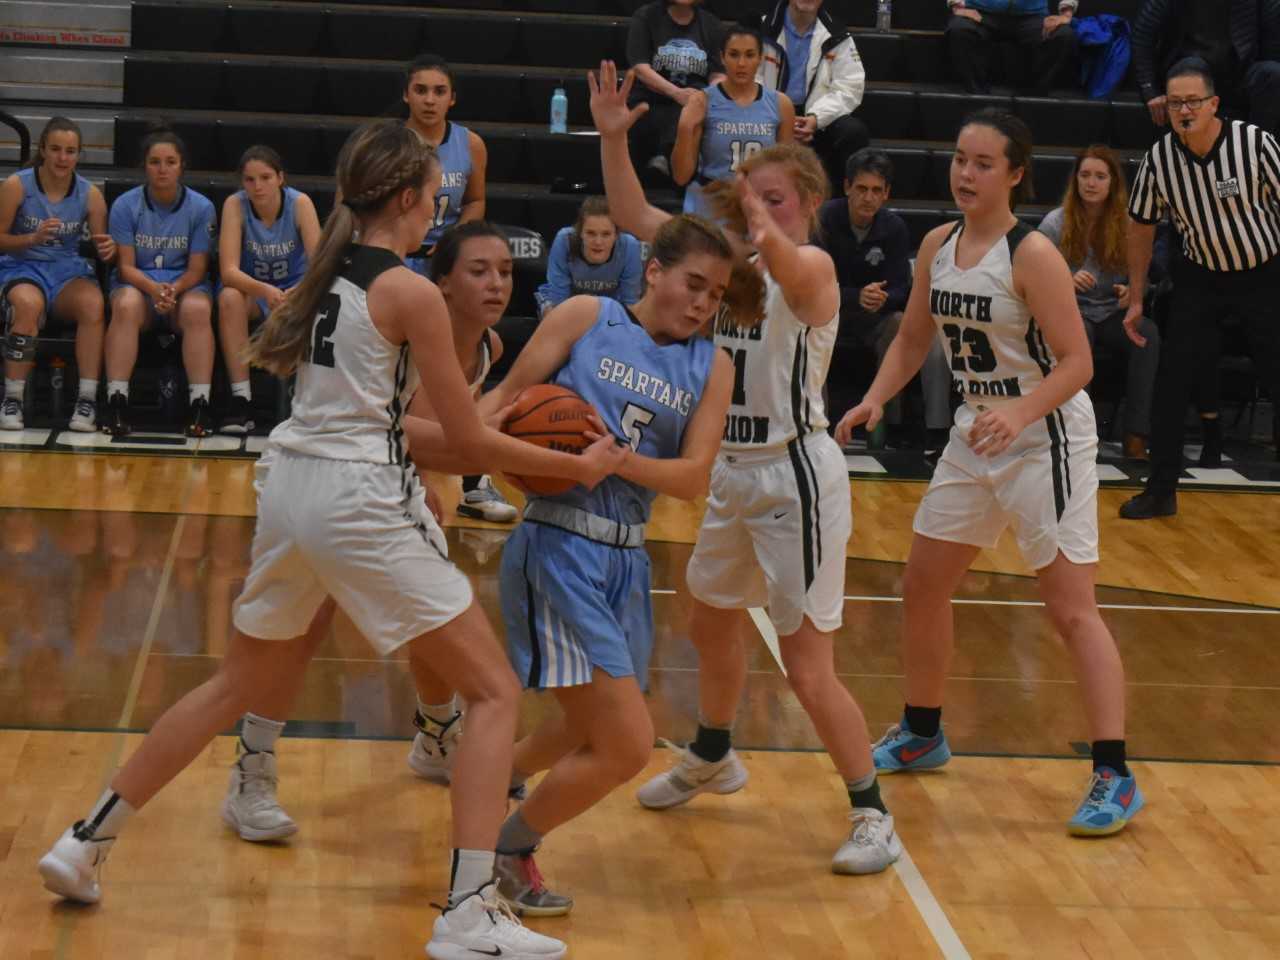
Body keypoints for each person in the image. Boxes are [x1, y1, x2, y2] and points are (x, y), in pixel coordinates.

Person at [37, 120, 625, 960]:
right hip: (357, 495)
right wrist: (575, 465)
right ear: (408, 198)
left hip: (289, 487)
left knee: (237, 683)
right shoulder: (413, 293)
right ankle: (465, 911)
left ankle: (83, 842)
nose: (439, 210)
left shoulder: (327, 272)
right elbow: (464, 444)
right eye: (433, 196)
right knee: (493, 693)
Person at [592, 60, 902, 875]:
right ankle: (714, 753)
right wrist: (614, 140)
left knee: (806, 665)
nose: (761, 212)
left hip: (795, 474)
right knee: (708, 616)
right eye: (752, 197)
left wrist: (763, 231)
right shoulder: (725, 266)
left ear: (806, 206)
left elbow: (795, 271)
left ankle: (872, 811)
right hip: (732, 472)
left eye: (779, 200)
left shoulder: (815, 269)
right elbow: (631, 214)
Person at [835, 108, 1143, 837]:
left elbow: (1079, 363)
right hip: (980, 431)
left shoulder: (1030, 255)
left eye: (981, 163)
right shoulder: (938, 245)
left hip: (1045, 438)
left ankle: (1115, 772)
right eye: (959, 159)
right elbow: (914, 337)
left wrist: (1023, 412)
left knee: (1071, 610)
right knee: (922, 584)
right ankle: (923, 729)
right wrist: (874, 398)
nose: (964, 173)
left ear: (1013, 174)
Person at [217, 221, 518, 846]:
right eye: (479, 271)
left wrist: (436, 476)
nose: (496, 284)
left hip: (390, 479)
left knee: (435, 612)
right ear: (441, 284)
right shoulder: (408, 315)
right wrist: (522, 458)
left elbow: (435, 434)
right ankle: (253, 770)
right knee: (307, 622)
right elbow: (395, 427)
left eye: (505, 272)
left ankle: (436, 737)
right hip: (338, 471)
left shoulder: (487, 344)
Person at [475, 213, 739, 916]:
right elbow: (501, 406)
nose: (700, 303)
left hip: (628, 559)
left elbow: (692, 478)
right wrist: (473, 448)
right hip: (559, 541)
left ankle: (480, 781)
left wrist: (619, 461)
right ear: (653, 271)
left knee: (580, 727)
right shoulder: (586, 315)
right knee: (627, 746)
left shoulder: (713, 363)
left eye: (715, 294)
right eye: (691, 284)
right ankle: (504, 847)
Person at [1119, 58, 1280, 519]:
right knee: (1172, 383)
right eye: (1174, 103)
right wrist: (1134, 297)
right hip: (1200, 276)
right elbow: (1141, 226)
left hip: (1264, 271)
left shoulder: (1256, 144)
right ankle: (1161, 489)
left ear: (1214, 104)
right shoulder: (1159, 159)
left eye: (1192, 101)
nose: (1183, 110)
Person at [400, 55, 513, 524]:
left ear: (452, 97)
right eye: (421, 90)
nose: (429, 99)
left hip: (448, 258)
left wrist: (453, 245)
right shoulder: (391, 144)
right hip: (401, 259)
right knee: (415, 368)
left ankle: (473, 479)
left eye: (438, 91)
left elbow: (476, 200)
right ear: (406, 95)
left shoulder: (470, 144)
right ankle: (412, 471)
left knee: (480, 346)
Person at [818, 148, 951, 451]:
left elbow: (903, 290)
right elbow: (811, 285)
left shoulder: (894, 228)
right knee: (808, 323)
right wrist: (854, 296)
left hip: (873, 319)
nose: (868, 197)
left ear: (887, 194)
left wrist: (883, 298)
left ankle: (887, 425)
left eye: (877, 190)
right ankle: (817, 424)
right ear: (847, 187)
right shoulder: (824, 218)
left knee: (900, 324)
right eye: (862, 189)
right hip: (829, 313)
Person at [1037, 145, 1160, 460]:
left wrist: (1132, 293)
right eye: (1085, 175)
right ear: (1075, 180)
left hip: (1110, 313)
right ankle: (1080, 434)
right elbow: (1031, 275)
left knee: (1146, 335)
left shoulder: (1129, 224)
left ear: (1113, 184)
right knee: (1080, 335)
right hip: (1070, 311)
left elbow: (1144, 277)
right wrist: (1066, 279)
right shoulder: (1055, 222)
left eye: (1099, 176)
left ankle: (1136, 434)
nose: (1091, 183)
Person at [0, 117, 115, 432]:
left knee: (93, 305)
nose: (63, 158)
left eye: (70, 151)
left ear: (79, 155)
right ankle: (13, 397)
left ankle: (87, 400)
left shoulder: (90, 194)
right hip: (21, 265)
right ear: (43, 150)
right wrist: (31, 239)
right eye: (56, 150)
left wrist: (108, 250)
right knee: (26, 305)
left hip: (66, 271)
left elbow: (103, 246)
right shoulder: (17, 185)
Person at [103, 126, 217, 438]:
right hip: (139, 286)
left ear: (182, 166)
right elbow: (125, 267)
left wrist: (173, 290)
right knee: (124, 305)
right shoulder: (126, 205)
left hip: (184, 286)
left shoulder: (201, 207)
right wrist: (154, 290)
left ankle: (200, 403)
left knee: (197, 309)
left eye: (170, 161)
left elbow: (197, 269)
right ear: (144, 166)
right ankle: (117, 400)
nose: (162, 168)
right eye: (155, 161)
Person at [215, 145, 321, 435]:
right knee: (228, 298)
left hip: (297, 288)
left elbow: (320, 266)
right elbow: (229, 271)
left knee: (326, 296)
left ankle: (307, 398)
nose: (257, 186)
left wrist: (294, 292)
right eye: (250, 179)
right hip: (257, 291)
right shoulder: (235, 205)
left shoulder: (300, 204)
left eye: (265, 177)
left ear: (280, 178)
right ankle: (241, 398)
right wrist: (266, 291)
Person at [672, 24, 794, 220]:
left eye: (749, 55)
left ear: (760, 59)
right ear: (722, 57)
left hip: (759, 201)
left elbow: (785, 172)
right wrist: (685, 128)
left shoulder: (781, 104)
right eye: (734, 54)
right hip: (712, 199)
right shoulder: (703, 101)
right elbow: (681, 176)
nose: (742, 63)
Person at [756, 0, 869, 192]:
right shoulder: (761, 27)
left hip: (815, 119)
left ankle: (837, 209)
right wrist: (778, 116)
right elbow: (750, 79)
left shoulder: (837, 34)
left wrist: (816, 119)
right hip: (768, 115)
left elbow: (850, 86)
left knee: (853, 132)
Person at [1132, 0, 1280, 135]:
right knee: (1191, 71)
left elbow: (1272, 47)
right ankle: (1191, 153)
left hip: (1240, 75)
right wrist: (1149, 89)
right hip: (1190, 72)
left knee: (1272, 73)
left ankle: (1256, 148)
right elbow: (1142, 35)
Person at [626, 0, 726, 179]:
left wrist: (704, 95)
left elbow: (718, 74)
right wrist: (675, 92)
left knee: (690, 114)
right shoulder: (646, 17)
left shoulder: (712, 25)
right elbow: (640, 67)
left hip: (692, 101)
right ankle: (664, 159)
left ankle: (671, 164)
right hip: (652, 98)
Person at [534, 196, 643, 317]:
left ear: (616, 235)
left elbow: (630, 303)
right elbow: (559, 299)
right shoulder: (565, 240)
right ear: (580, 232)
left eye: (606, 234)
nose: (598, 242)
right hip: (569, 302)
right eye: (591, 233)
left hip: (612, 305)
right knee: (551, 315)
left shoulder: (629, 246)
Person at [945, 0, 1079, 94]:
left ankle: (1035, 97)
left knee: (1063, 35)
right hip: (981, 12)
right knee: (959, 29)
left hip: (1032, 16)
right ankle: (977, 96)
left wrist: (1066, 14)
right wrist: (958, 7)